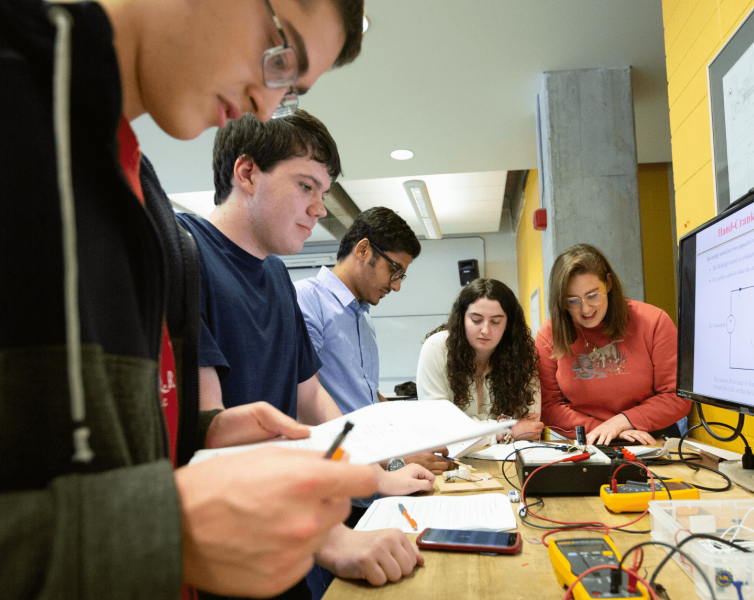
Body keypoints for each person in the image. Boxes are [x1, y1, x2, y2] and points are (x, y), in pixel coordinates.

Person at [0, 0, 379, 598]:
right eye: (280, 49)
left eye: (293, 84)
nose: (269, 101)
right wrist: (165, 530)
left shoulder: (144, 202)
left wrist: (202, 435)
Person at [177, 110, 434, 597]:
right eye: (305, 186)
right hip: (236, 555)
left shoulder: (276, 275)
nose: (319, 208)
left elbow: (313, 400)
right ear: (247, 173)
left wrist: (377, 475)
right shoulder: (189, 256)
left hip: (294, 545)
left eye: (323, 191)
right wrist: (329, 537)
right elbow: (214, 434)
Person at [295, 207, 455, 477]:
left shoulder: (363, 317)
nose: (396, 286)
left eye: (401, 275)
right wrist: (393, 459)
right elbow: (306, 403)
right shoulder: (307, 300)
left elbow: (365, 396)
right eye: (394, 270)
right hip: (335, 478)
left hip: (373, 477)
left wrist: (411, 435)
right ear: (363, 250)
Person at [536, 244, 691, 446]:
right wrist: (604, 431)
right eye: (572, 301)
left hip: (650, 438)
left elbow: (676, 396)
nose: (585, 309)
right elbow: (549, 406)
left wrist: (621, 423)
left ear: (608, 284)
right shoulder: (549, 334)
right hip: (588, 441)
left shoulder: (653, 321)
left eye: (593, 295)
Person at [416, 279, 544, 441]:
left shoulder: (521, 354)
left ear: (509, 325)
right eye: (476, 320)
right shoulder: (436, 349)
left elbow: (530, 427)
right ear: (461, 319)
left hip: (508, 459)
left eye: (495, 322)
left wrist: (470, 428)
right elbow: (439, 425)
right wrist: (506, 430)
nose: (485, 330)